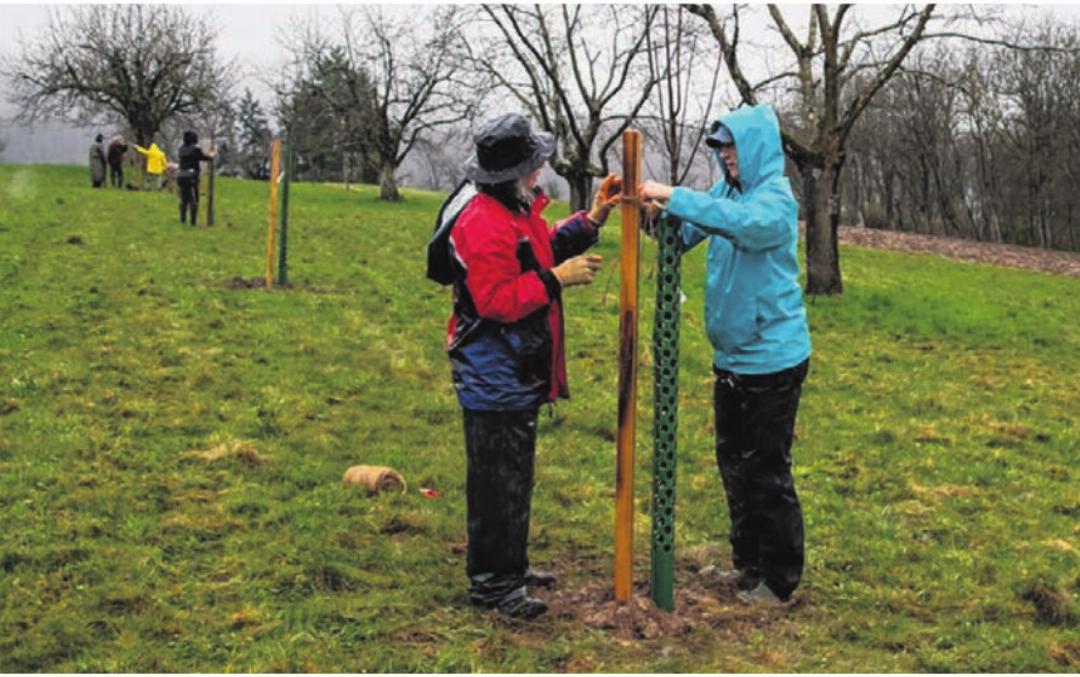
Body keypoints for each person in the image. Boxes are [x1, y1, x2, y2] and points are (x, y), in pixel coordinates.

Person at [445, 113, 620, 619]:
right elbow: (496, 300)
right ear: (512, 175)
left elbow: (545, 247)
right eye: (534, 166)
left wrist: (595, 218)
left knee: (515, 478)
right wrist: (557, 280)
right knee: (497, 484)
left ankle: (510, 569)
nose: (540, 173)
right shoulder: (483, 223)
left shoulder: (516, 213)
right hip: (492, 375)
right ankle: (493, 588)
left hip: (515, 372)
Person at [638, 103, 811, 608]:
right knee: (733, 464)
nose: (726, 156)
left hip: (772, 361)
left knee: (767, 471)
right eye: (720, 148)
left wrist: (676, 195)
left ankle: (779, 581)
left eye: (732, 146)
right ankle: (749, 564)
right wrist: (653, 214)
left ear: (756, 147)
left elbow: (739, 224)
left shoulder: (775, 202)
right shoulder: (725, 192)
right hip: (733, 359)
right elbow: (690, 230)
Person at [176, 130, 214, 226]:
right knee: (194, 199)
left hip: (180, 175)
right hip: (191, 176)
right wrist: (211, 155)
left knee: (184, 199)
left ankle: (182, 220)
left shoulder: (181, 149)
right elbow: (205, 157)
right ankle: (193, 222)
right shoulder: (195, 149)